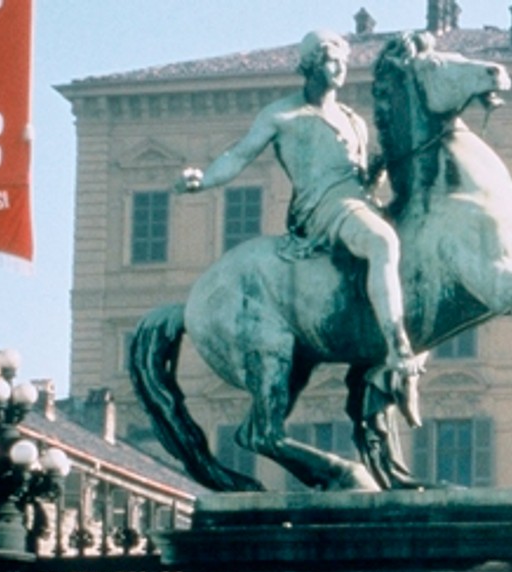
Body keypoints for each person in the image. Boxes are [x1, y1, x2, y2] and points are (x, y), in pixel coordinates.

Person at [178, 30, 419, 396]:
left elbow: (362, 176)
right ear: (310, 66)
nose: (339, 69)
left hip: (360, 203)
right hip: (322, 209)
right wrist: (204, 180)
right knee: (382, 242)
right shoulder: (282, 115)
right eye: (330, 61)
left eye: (342, 62)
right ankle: (398, 346)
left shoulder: (353, 119)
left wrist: (380, 169)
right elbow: (239, 156)